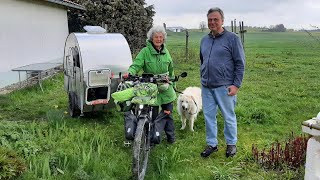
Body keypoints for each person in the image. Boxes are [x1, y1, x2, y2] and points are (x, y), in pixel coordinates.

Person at [199, 7, 245, 158]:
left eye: (215, 19)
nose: (212, 22)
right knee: (208, 116)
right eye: (210, 20)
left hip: (225, 86)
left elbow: (240, 63)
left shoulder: (232, 39)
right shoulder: (204, 40)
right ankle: (212, 144)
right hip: (207, 86)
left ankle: (231, 144)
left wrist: (236, 85)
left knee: (228, 116)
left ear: (222, 21)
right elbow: (203, 60)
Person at [124, 25, 176, 144]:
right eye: (156, 37)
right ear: (151, 38)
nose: (158, 39)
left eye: (161, 37)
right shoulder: (145, 51)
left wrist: (172, 81)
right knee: (153, 113)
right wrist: (130, 72)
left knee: (168, 112)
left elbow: (171, 69)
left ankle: (170, 137)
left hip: (165, 86)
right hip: (150, 86)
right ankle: (151, 138)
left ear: (164, 39)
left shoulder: (166, 52)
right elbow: (136, 65)